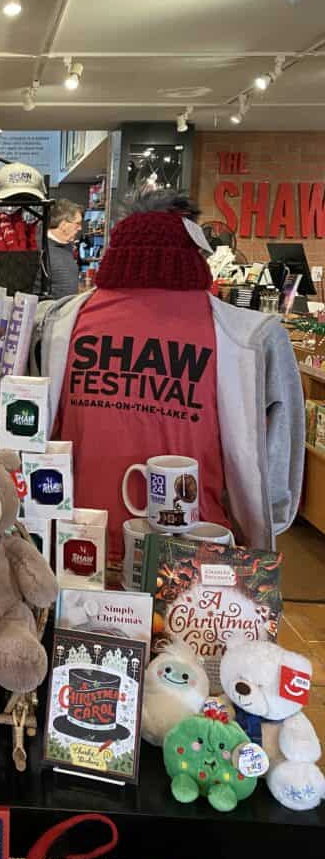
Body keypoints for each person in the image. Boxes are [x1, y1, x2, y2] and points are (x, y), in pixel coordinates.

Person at [32, 189, 304, 576]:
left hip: (78, 553)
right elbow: (278, 467)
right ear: (194, 251)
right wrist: (266, 526)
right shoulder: (249, 335)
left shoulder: (64, 323)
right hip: (195, 558)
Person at [40, 201, 83, 298]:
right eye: (77, 224)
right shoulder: (40, 248)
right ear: (63, 225)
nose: (80, 228)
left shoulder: (67, 246)